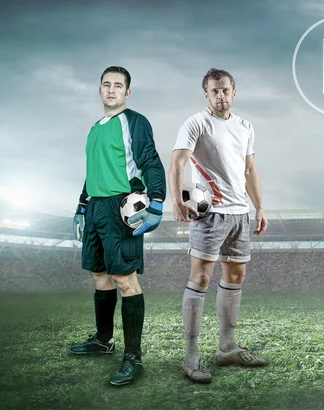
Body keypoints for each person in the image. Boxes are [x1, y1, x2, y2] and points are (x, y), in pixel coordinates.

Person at [169, 68, 268, 383]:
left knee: (235, 276)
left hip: (240, 213)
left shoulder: (245, 126)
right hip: (209, 213)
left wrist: (260, 206)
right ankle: (191, 355)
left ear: (234, 91)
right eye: (214, 91)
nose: (221, 96)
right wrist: (176, 201)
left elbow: (250, 170)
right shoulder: (196, 123)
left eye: (225, 90)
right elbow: (177, 162)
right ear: (206, 94)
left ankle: (227, 348)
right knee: (200, 277)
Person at [70, 66, 166, 386]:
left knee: (125, 279)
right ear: (100, 90)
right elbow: (93, 169)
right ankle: (103, 339)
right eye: (106, 85)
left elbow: (150, 160)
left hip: (121, 207)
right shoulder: (95, 128)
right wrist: (82, 205)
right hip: (96, 207)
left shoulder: (134, 122)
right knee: (100, 275)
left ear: (127, 92)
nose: (111, 90)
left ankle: (133, 356)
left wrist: (157, 200)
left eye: (118, 85)